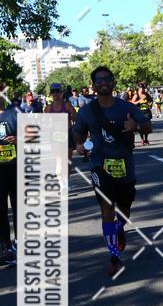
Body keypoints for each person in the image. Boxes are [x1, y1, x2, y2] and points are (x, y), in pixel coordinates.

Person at [73, 66, 152, 276]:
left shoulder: (126, 107)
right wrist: (79, 146)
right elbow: (78, 134)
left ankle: (119, 229)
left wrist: (135, 125)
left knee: (124, 209)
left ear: (113, 82)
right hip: (99, 166)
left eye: (107, 79)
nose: (103, 82)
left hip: (125, 164)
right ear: (94, 85)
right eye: (98, 80)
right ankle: (114, 256)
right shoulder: (87, 111)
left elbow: (148, 127)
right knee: (107, 208)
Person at [0, 92, 20, 263]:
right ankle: (5, 246)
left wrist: (19, 139)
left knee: (18, 207)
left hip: (16, 168)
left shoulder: (14, 114)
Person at [45, 83, 77, 187]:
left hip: (67, 133)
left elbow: (75, 118)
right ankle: (61, 185)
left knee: (68, 161)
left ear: (61, 92)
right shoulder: (48, 108)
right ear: (51, 93)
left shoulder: (67, 105)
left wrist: (71, 117)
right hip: (55, 135)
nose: (55, 93)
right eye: (53, 91)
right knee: (59, 160)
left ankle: (66, 182)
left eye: (57, 91)